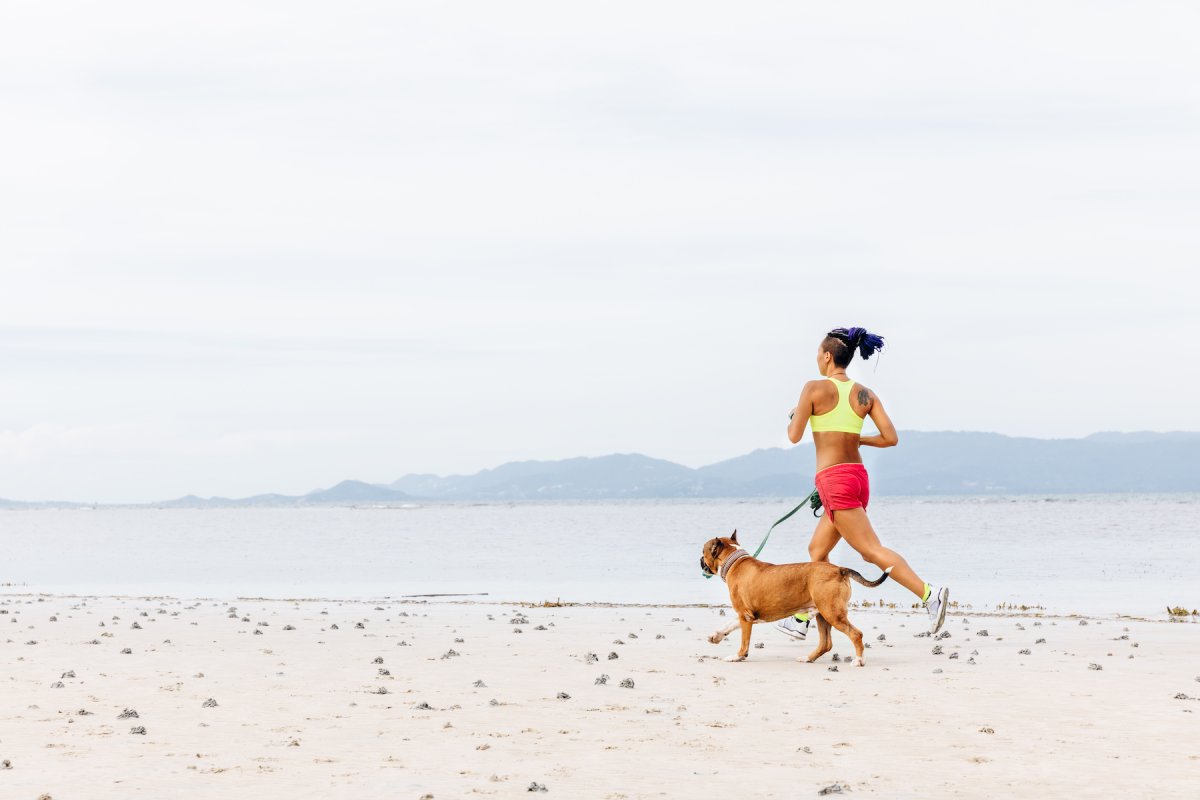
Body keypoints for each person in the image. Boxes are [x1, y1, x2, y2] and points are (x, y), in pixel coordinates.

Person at [775, 326, 949, 640]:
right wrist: (858, 440)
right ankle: (801, 617)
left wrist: (796, 414)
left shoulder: (813, 389)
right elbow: (890, 438)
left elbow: (794, 435)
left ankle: (928, 593)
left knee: (870, 551)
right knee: (816, 550)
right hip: (857, 478)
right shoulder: (864, 394)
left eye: (818, 354)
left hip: (835, 480)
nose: (817, 359)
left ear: (827, 356)